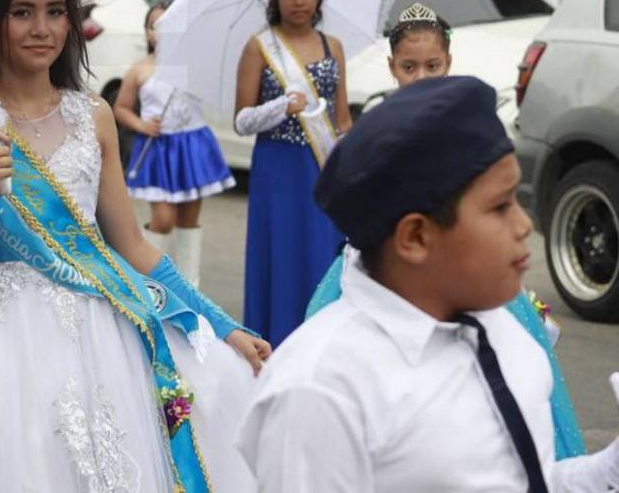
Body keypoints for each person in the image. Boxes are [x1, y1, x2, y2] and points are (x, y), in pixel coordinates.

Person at [0, 0, 269, 493]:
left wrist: (221, 326)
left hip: (104, 332)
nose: (41, 28)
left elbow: (134, 246)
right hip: (1, 343)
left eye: (56, 12)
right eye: (21, 12)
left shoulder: (94, 114)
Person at [237, 77, 619, 492]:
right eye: (500, 207)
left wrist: (606, 472)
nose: (524, 226)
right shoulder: (323, 389)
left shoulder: (504, 332)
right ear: (416, 237)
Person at [305, 2, 587, 460]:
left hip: (466, 262)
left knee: (510, 378)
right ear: (392, 66)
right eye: (409, 67)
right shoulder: (381, 125)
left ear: (449, 63)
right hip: (399, 265)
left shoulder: (468, 123)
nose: (420, 76)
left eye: (432, 66)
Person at [233, 0, 351, 346]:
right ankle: (278, 345)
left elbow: (343, 119)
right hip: (278, 170)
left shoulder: (332, 45)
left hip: (323, 168)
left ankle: (324, 346)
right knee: (282, 258)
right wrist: (281, 106)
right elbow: (242, 120)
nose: (299, 1)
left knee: (323, 255)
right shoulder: (259, 48)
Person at [113, 3, 235, 285]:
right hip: (159, 150)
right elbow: (121, 108)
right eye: (156, 25)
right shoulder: (140, 69)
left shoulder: (195, 66)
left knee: (189, 221)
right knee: (164, 219)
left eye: (170, 23)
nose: (163, 30)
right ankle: (153, 281)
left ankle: (191, 286)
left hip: (192, 147)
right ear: (147, 33)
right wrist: (142, 125)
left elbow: (219, 91)